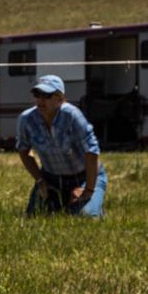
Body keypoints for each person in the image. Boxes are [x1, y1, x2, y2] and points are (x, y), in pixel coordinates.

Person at [15, 75, 108, 218]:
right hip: (50, 179)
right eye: (37, 95)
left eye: (47, 95)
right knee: (34, 216)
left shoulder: (72, 116)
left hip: (84, 177)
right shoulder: (26, 119)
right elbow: (24, 151)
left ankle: (94, 208)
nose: (40, 100)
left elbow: (92, 152)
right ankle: (64, 202)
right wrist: (40, 181)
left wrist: (88, 190)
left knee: (84, 216)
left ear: (60, 98)